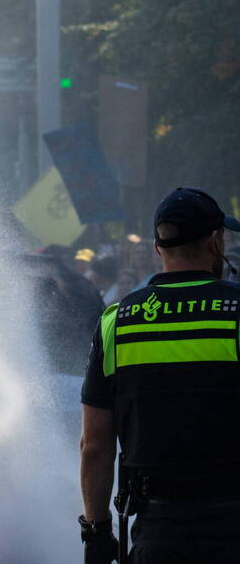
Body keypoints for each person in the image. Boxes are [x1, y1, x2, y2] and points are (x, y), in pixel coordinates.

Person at [79, 187, 240, 563]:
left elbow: (95, 446)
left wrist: (97, 533)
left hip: (157, 531)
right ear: (216, 242)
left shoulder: (116, 323)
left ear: (157, 248)